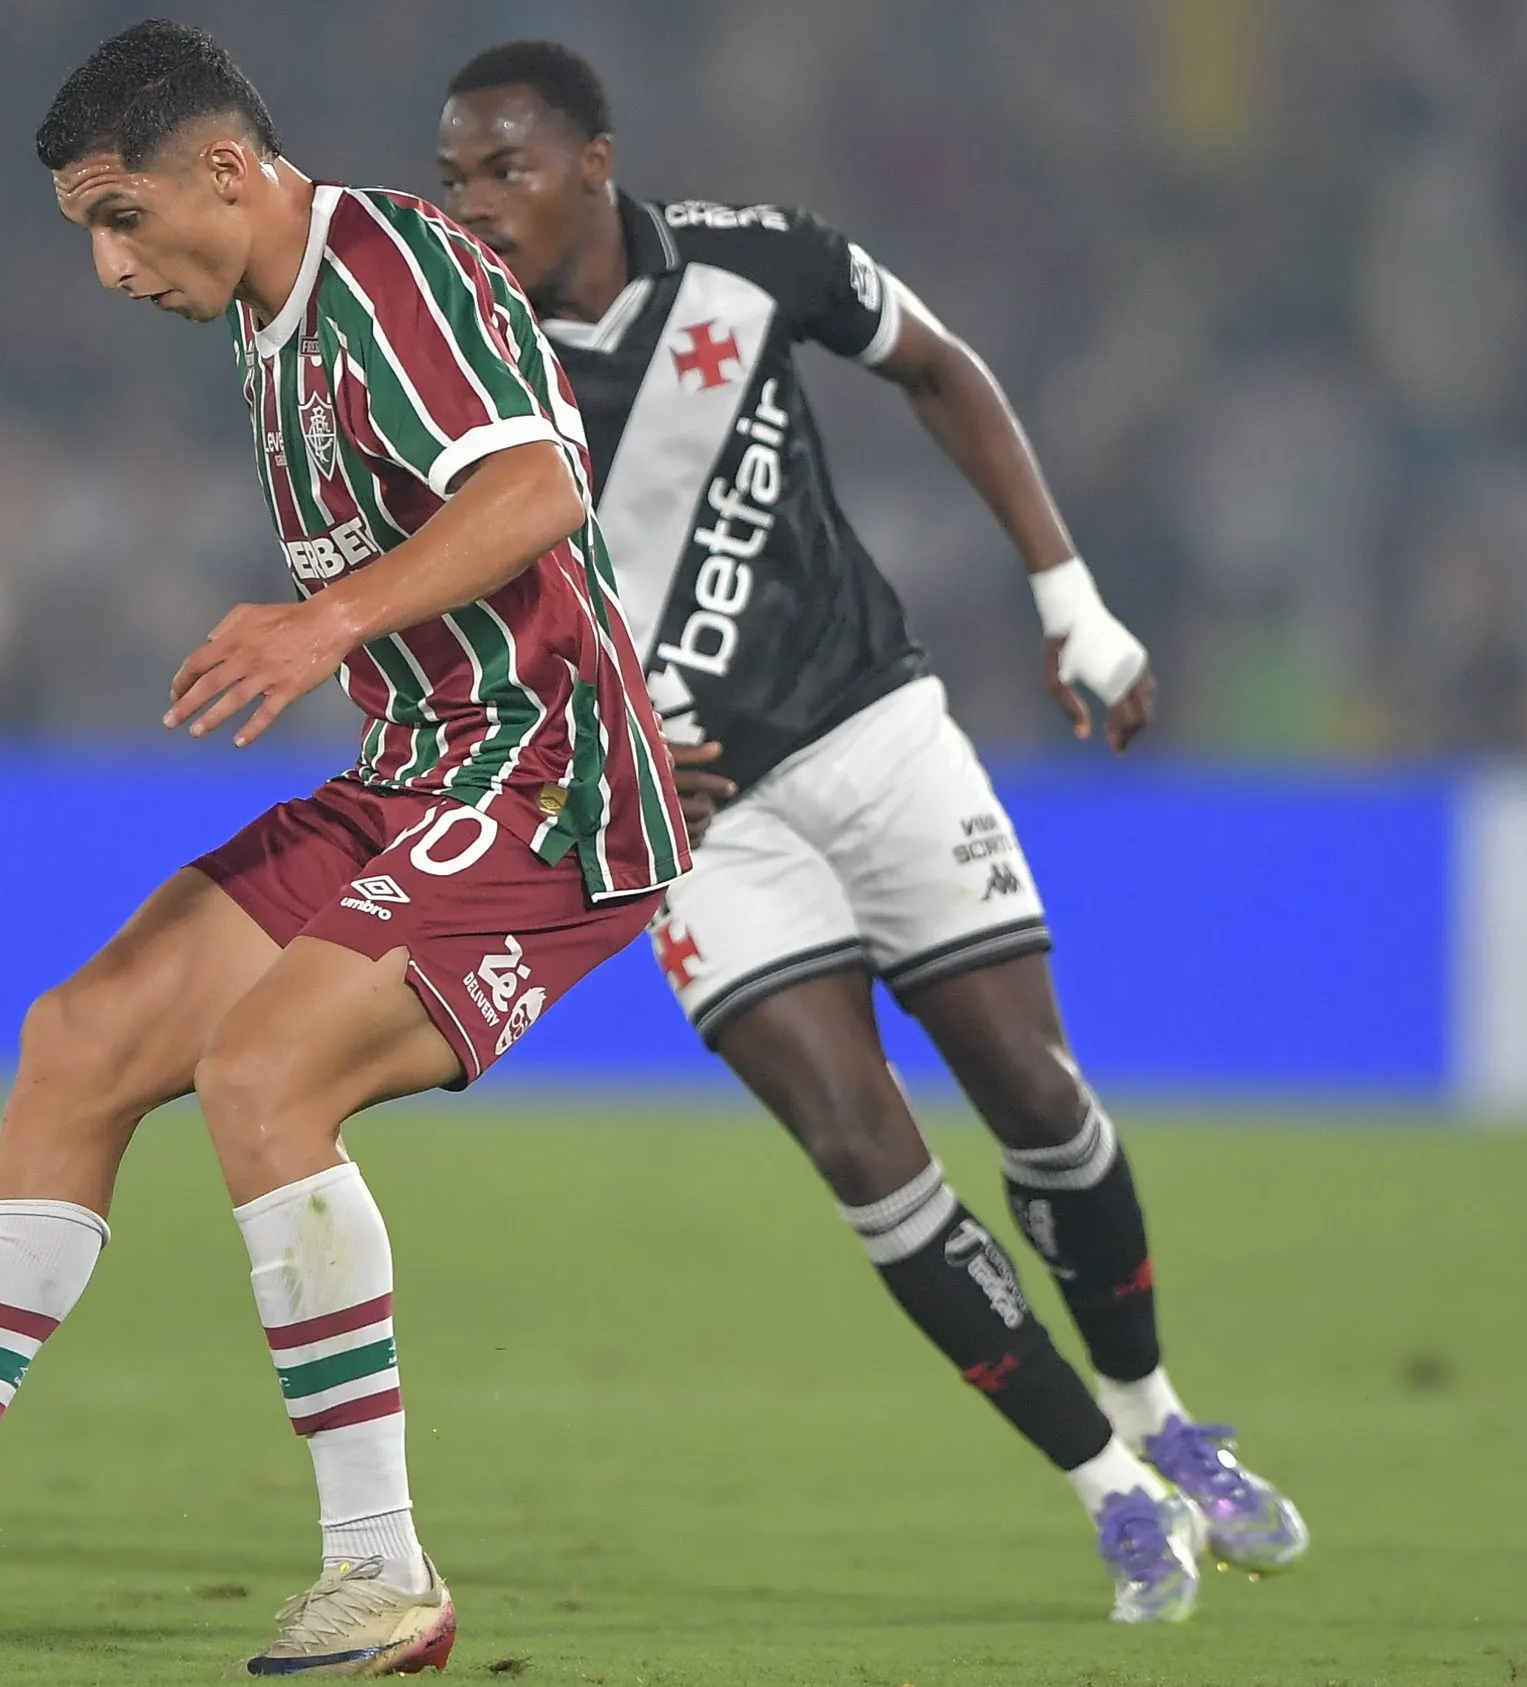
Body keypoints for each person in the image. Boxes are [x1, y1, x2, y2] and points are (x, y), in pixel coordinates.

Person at [0, 23, 687, 1675]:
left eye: (123, 218)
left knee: (264, 1074)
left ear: (227, 171)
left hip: (552, 783)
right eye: (88, 231)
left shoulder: (387, 272)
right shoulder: (268, 308)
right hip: (416, 774)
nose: (109, 267)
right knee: (84, 1034)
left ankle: (385, 1574)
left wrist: (328, 620)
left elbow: (539, 488)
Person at [432, 40, 1307, 1625]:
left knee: (1037, 1095)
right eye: (457, 178)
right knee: (860, 1143)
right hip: (694, 817)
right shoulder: (460, 370)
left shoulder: (758, 261)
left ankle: (1163, 1416)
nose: (478, 205)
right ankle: (1112, 1493)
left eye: (510, 169)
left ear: (594, 165)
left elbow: (940, 366)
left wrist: (1069, 597)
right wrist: (588, 749)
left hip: (875, 732)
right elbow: (444, 618)